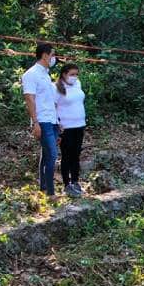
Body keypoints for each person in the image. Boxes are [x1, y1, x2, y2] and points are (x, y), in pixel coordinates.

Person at [22, 43, 59, 197]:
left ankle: (43, 188)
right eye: (52, 55)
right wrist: (35, 123)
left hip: (52, 120)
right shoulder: (31, 74)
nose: (54, 58)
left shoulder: (46, 74)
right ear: (45, 55)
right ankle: (51, 193)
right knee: (52, 155)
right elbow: (29, 99)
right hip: (42, 121)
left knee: (46, 155)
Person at [54, 63, 86, 197]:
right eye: (72, 74)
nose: (75, 77)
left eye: (76, 74)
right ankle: (67, 184)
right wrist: (57, 122)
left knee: (76, 155)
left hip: (80, 125)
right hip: (66, 127)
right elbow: (52, 105)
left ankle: (75, 181)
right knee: (67, 156)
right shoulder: (56, 88)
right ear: (64, 74)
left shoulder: (77, 84)